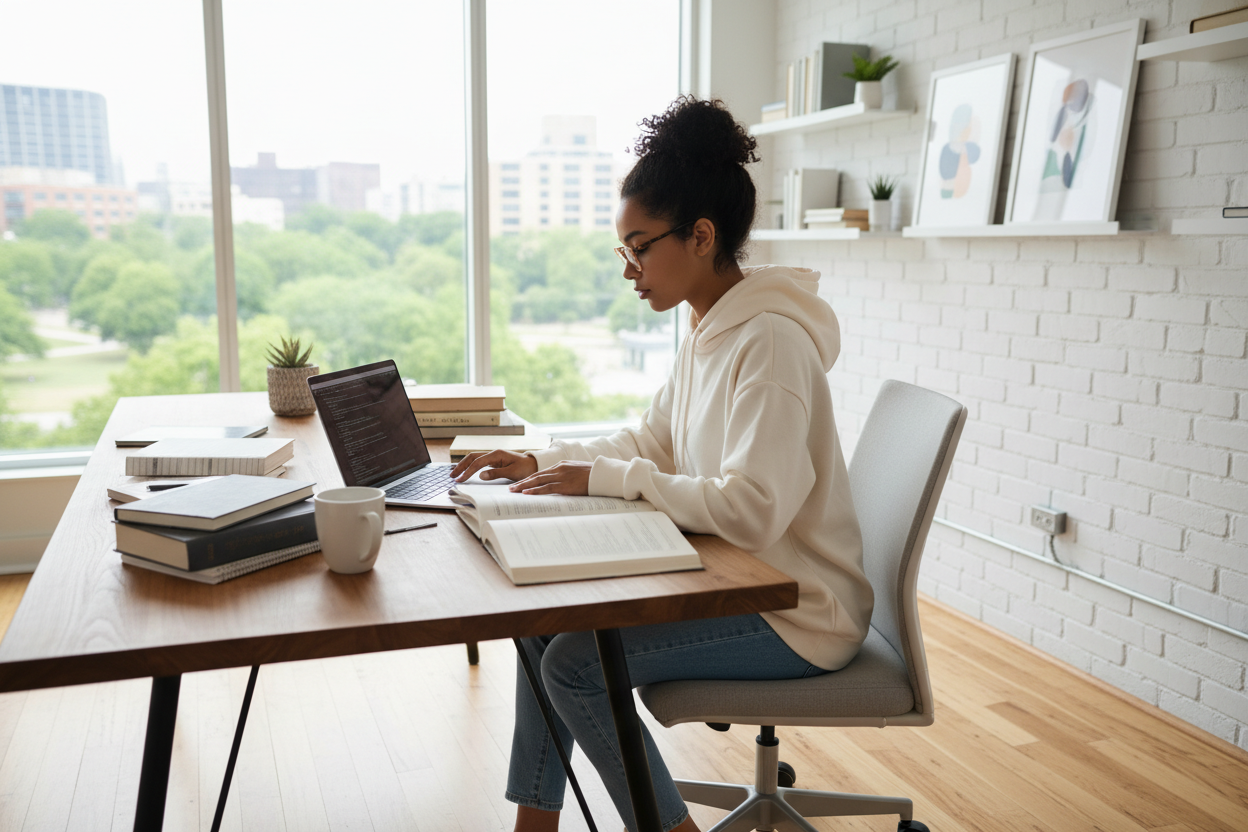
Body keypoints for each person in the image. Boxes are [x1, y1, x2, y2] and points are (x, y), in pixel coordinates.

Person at [451, 96, 872, 832]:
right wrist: (540, 461)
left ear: (701, 236)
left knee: (575, 666)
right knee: (538, 624)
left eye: (640, 247)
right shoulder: (711, 329)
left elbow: (752, 509)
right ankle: (535, 825)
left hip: (799, 610)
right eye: (625, 251)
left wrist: (610, 480)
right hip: (737, 581)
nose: (630, 270)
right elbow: (651, 441)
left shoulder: (769, 343)